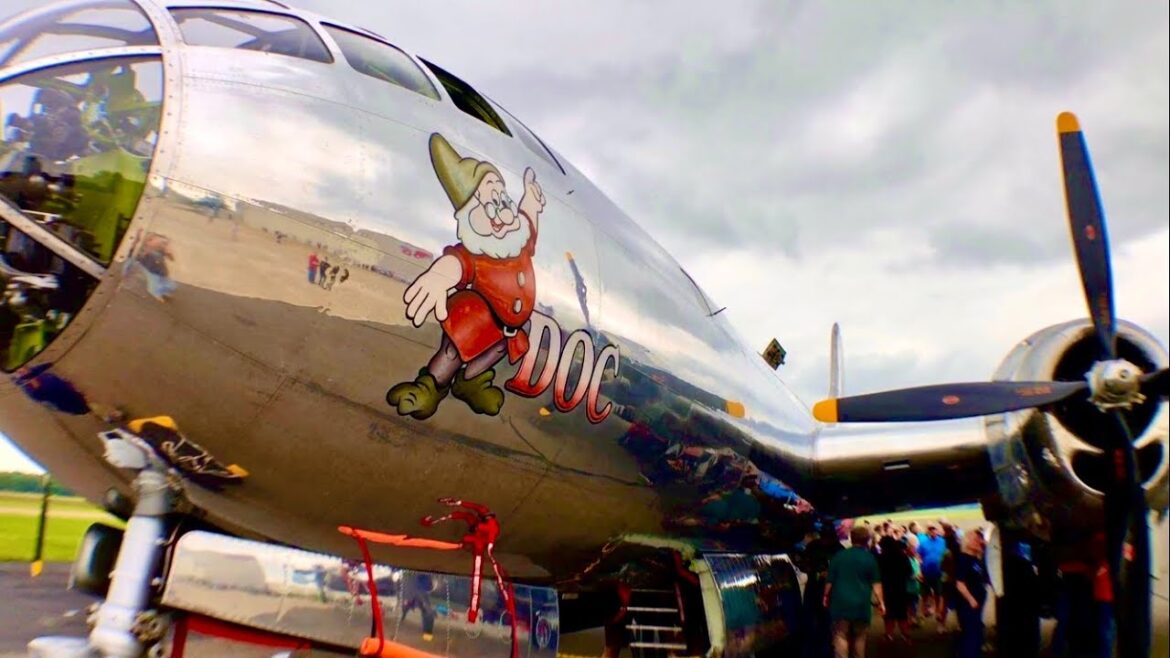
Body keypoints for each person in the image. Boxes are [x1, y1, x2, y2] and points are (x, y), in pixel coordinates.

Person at [824, 525, 884, 658]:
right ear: (867, 540)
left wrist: (825, 596)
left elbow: (830, 581)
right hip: (861, 605)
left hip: (840, 604)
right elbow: (876, 583)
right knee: (859, 638)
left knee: (840, 636)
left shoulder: (839, 556)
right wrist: (881, 602)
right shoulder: (870, 558)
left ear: (851, 539)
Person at [953, 529, 990, 658]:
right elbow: (960, 583)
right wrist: (971, 599)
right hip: (968, 603)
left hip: (978, 601)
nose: (978, 541)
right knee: (971, 633)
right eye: (975, 539)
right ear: (968, 541)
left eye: (979, 539)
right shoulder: (963, 559)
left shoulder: (977, 558)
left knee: (976, 631)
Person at [878, 533, 912, 643]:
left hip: (887, 590)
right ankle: (906, 635)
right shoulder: (902, 556)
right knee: (902, 614)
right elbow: (909, 572)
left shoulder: (881, 558)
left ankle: (889, 634)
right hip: (901, 589)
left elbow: (877, 575)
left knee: (888, 614)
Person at [917, 523, 945, 620]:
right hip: (926, 572)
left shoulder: (943, 542)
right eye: (931, 529)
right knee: (925, 593)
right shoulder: (924, 543)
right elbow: (918, 556)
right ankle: (924, 610)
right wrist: (919, 570)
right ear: (928, 531)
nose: (933, 531)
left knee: (938, 593)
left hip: (939, 572)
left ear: (937, 531)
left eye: (934, 529)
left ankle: (937, 611)